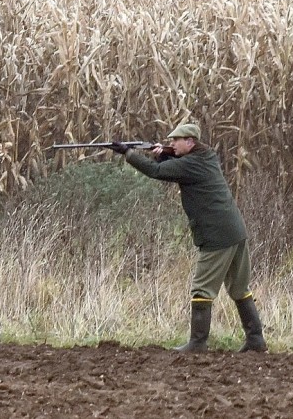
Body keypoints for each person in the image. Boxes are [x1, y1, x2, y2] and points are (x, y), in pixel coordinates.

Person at [107, 123, 267, 353]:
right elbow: (173, 169)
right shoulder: (205, 158)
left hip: (217, 235)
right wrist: (162, 156)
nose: (171, 143)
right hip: (234, 231)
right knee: (239, 288)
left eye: (176, 140)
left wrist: (128, 153)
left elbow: (157, 172)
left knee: (202, 289)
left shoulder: (193, 163)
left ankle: (198, 343)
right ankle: (256, 340)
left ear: (190, 142)